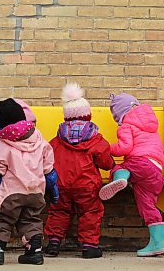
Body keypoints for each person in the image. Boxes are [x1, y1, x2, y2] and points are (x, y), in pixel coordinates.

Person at [0, 98, 58, 266]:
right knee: (32, 219)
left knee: (1, 219)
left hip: (11, 194)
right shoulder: (39, 139)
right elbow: (49, 168)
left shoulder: (2, 143)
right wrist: (53, 189)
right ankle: (34, 251)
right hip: (36, 192)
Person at [44, 83, 115, 259]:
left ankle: (53, 241)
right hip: (86, 184)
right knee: (90, 212)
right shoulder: (95, 139)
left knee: (58, 211)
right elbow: (106, 162)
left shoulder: (57, 139)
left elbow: (47, 157)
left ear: (66, 118)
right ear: (88, 116)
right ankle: (89, 246)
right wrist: (112, 163)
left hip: (60, 183)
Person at [98, 93, 164, 257]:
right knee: (147, 204)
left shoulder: (126, 126)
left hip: (139, 163)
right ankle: (159, 244)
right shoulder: (151, 125)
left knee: (118, 166)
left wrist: (108, 149)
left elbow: (124, 148)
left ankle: (120, 177)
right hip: (156, 169)